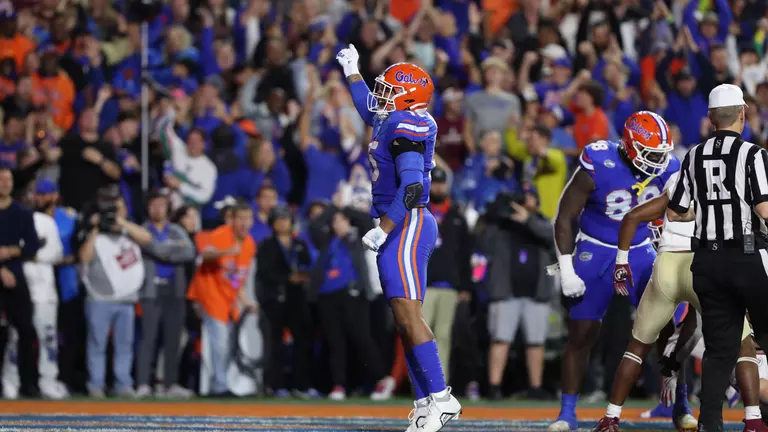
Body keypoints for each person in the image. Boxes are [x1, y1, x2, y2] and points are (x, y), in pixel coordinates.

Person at [337, 44, 461, 431]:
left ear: (407, 97)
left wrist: (383, 230)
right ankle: (425, 401)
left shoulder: (409, 124)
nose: (381, 96)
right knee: (404, 320)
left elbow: (409, 187)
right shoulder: (395, 116)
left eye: (389, 90)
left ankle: (442, 398)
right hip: (400, 224)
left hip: (406, 223)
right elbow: (366, 106)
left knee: (410, 316)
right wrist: (352, 71)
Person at [592, 172, 760, 432]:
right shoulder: (737, 177)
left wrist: (622, 262)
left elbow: (632, 216)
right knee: (744, 346)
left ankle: (610, 417)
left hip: (667, 263)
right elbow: (746, 230)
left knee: (637, 347)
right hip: (705, 261)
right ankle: (752, 419)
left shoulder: (681, 177)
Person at [548, 111, 679, 431]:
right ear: (631, 147)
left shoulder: (670, 167)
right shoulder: (598, 160)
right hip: (595, 251)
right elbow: (564, 216)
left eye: (663, 153)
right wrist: (566, 269)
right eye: (652, 154)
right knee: (581, 334)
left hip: (640, 252)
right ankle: (567, 414)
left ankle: (678, 405)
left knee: (668, 330)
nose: (660, 161)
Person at [667, 83, 768, 432]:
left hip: (707, 263)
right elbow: (765, 209)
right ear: (743, 113)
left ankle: (710, 424)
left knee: (719, 352)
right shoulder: (753, 155)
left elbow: (676, 212)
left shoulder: (692, 154)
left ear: (711, 118)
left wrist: (708, 212)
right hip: (748, 257)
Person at [483, 185, 555, 401]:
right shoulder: (502, 224)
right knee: (500, 339)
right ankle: (494, 386)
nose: (525, 202)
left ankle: (535, 386)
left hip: (537, 293)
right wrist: (498, 212)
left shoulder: (543, 222)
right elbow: (484, 242)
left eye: (530, 197)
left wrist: (528, 220)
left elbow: (553, 238)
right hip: (506, 291)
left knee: (536, 342)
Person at [77, 192, 152, 398]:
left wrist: (122, 222)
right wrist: (95, 227)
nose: (114, 214)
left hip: (126, 299)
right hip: (99, 298)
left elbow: (147, 238)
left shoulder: (129, 232)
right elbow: (84, 257)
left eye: (118, 209)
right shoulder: (94, 234)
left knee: (124, 346)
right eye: (111, 210)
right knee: (97, 344)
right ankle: (96, 385)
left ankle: (123, 384)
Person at [186, 202, 258, 396]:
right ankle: (220, 386)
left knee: (227, 343)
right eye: (240, 218)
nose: (245, 223)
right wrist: (226, 252)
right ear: (232, 220)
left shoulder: (250, 243)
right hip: (209, 292)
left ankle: (221, 382)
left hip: (227, 297)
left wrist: (244, 300)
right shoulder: (221, 234)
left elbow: (236, 276)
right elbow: (206, 253)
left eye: (248, 218)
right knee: (220, 342)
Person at [135, 191, 196, 399]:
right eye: (153, 205)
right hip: (151, 290)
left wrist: (162, 249)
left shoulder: (176, 230)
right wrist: (171, 249)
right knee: (148, 338)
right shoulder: (142, 230)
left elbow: (189, 252)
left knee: (172, 339)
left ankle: (170, 384)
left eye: (161, 205)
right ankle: (143, 383)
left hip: (175, 289)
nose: (157, 209)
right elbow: (154, 248)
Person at [256, 206, 315, 399]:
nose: (283, 223)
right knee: (275, 344)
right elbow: (264, 273)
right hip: (275, 299)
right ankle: (275, 385)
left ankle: (301, 386)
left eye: (286, 219)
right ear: (273, 223)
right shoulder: (267, 245)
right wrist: (288, 278)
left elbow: (308, 265)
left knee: (303, 342)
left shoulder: (299, 244)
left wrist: (304, 276)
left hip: (297, 299)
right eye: (278, 219)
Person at [422, 166, 471, 384]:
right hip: (425, 283)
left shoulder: (456, 216)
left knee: (443, 336)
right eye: (435, 182)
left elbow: (465, 254)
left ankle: (439, 385)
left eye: (442, 183)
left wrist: (466, 286)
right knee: (422, 336)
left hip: (450, 284)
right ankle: (422, 384)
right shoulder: (420, 213)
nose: (439, 186)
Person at [0, 167, 40, 398]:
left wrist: (13, 250)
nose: (5, 184)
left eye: (8, 180)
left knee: (26, 329)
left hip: (16, 276)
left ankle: (29, 384)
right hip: (6, 273)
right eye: (1, 180)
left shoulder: (22, 213)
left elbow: (33, 245)